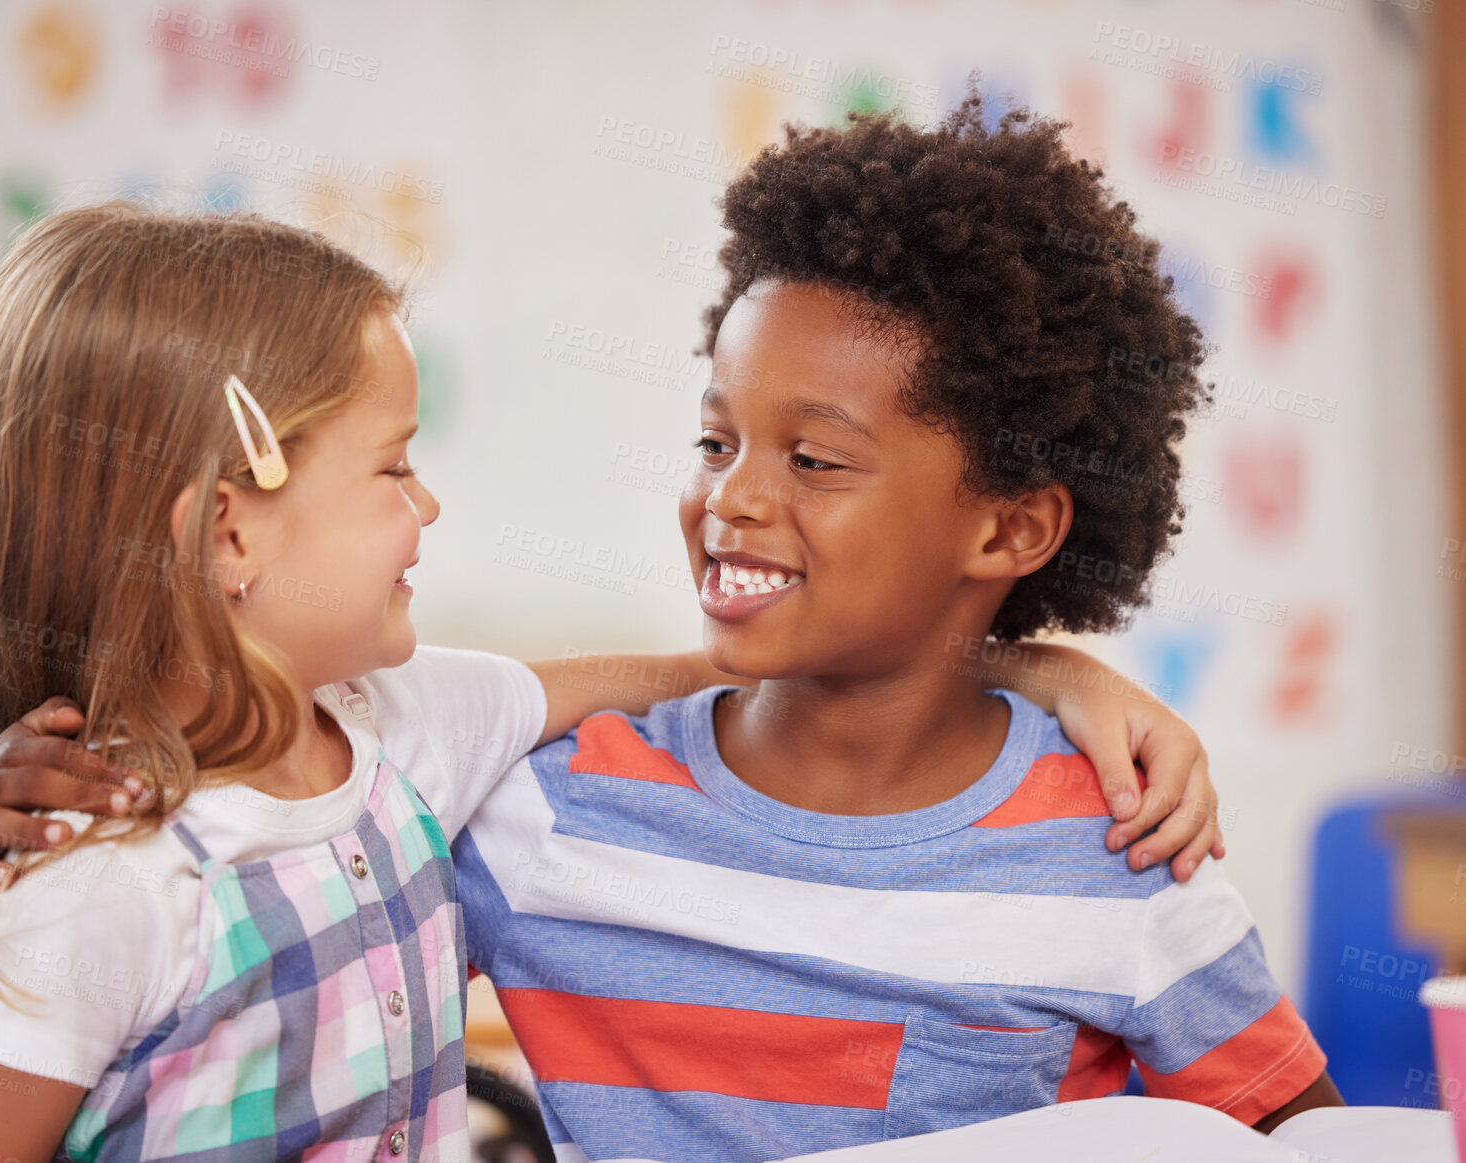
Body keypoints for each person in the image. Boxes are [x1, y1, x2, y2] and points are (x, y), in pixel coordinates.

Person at [447, 98, 1341, 1159]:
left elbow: (1318, 1142)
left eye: (811, 459)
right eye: (714, 439)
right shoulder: (537, 813)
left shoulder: (1117, 844)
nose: (728, 497)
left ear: (1010, 526)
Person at [0, 202, 757, 1162]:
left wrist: (803, 654)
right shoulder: (85, 886)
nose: (427, 501)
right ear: (229, 533)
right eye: (396, 465)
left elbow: (611, 682)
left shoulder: (401, 729)